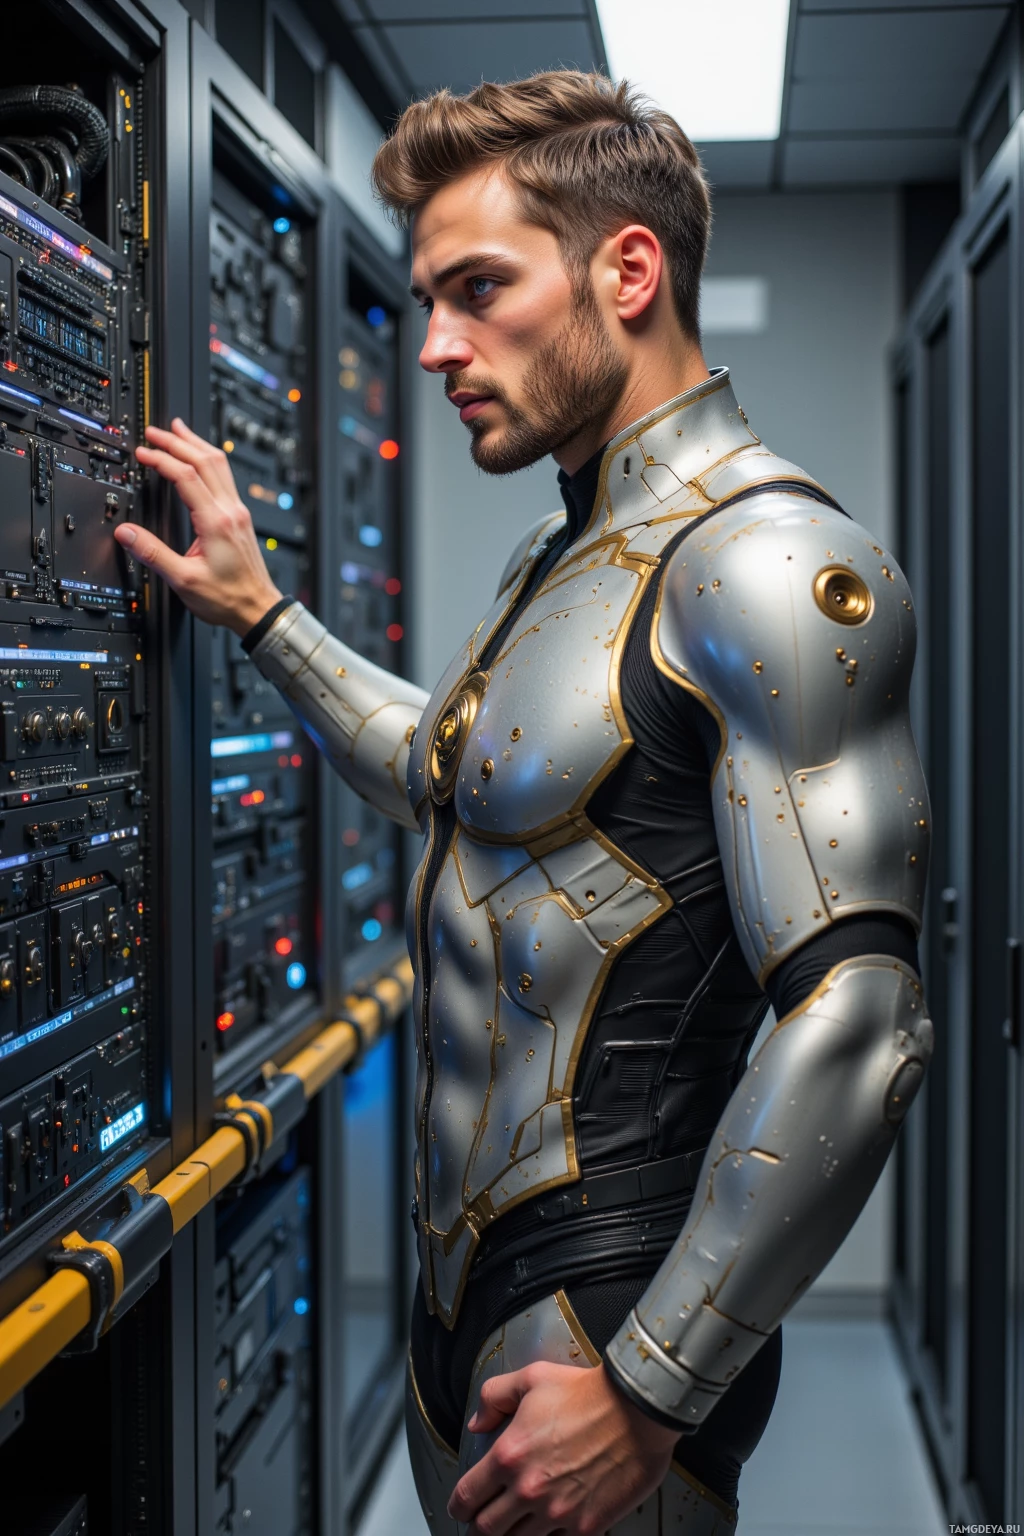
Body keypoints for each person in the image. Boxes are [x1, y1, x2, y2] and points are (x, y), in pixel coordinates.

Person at [116, 70, 933, 1536]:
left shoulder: (763, 566)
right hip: (462, 1291)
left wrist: (653, 1387)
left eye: (477, 288)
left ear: (628, 270)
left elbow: (862, 1023)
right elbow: (445, 779)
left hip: (610, 1303)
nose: (434, 345)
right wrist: (263, 616)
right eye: (431, 298)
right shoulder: (560, 562)